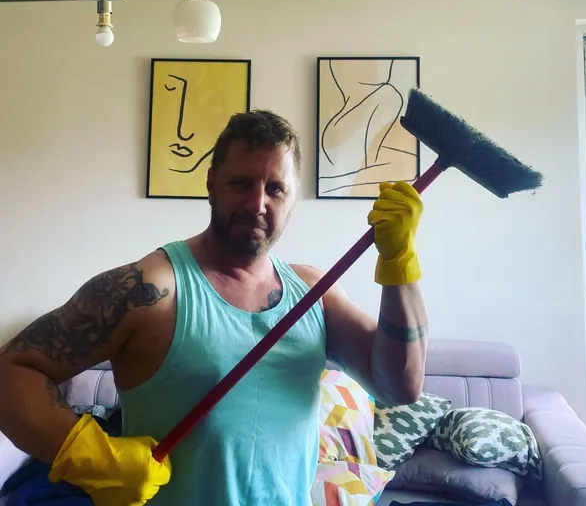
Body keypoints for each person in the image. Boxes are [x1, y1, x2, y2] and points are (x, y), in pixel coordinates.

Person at [0, 109, 428, 505]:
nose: (257, 204)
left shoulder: (315, 293)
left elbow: (400, 387)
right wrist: (96, 459)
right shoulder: (152, 290)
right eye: (241, 184)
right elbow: (11, 372)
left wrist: (400, 263)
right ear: (210, 183)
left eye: (275, 189)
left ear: (293, 197)